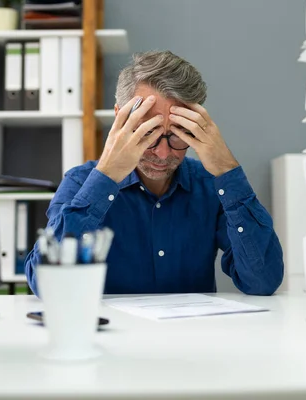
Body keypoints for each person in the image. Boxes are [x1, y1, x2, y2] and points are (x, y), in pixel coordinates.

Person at [24, 50, 284, 296]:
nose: (162, 153)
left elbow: (262, 281)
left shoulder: (210, 186)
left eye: (178, 136)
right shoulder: (80, 182)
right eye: (148, 133)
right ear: (120, 120)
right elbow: (46, 285)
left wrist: (226, 169)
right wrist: (107, 177)